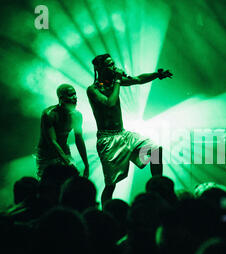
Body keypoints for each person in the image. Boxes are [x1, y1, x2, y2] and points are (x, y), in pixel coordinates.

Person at [86, 53, 172, 205]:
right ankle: (108, 213)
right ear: (99, 68)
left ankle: (158, 191)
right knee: (110, 185)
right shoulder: (93, 89)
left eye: (113, 64)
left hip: (124, 135)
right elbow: (109, 103)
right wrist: (118, 80)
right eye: (109, 65)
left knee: (155, 150)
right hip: (107, 140)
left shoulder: (114, 82)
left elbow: (138, 80)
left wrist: (157, 75)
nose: (114, 67)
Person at [36, 84, 89, 178]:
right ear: (61, 98)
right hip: (46, 155)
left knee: (71, 182)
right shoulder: (49, 114)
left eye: (75, 94)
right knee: (47, 185)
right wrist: (67, 161)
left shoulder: (76, 116)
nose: (75, 97)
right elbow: (52, 141)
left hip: (64, 151)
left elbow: (79, 140)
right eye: (70, 95)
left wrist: (86, 164)